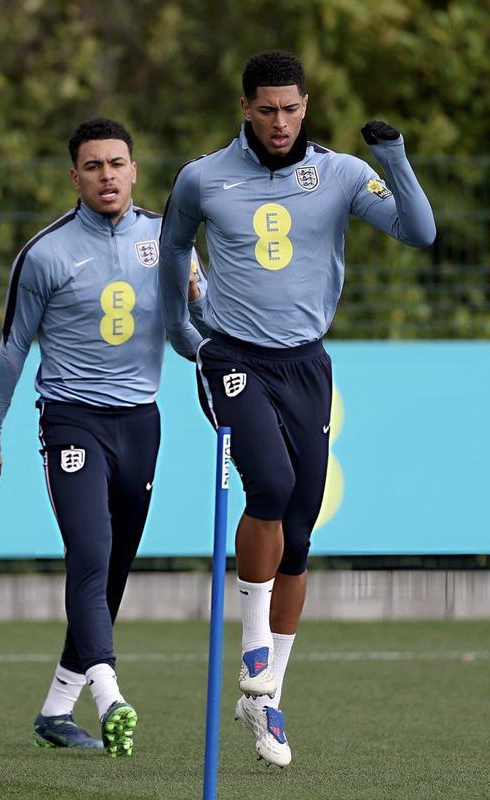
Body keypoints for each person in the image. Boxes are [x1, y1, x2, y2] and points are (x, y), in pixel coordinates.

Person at [159, 50, 436, 767]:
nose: (279, 122)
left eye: (290, 109)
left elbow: (420, 232)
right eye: (266, 110)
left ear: (305, 106)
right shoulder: (203, 177)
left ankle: (267, 698)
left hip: (306, 363)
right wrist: (182, 333)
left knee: (301, 531)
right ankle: (252, 646)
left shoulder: (341, 173)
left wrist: (394, 158)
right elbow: (173, 248)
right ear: (245, 108)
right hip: (232, 356)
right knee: (272, 486)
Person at [0, 118, 205, 756]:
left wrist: (196, 300)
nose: (107, 176)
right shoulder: (45, 253)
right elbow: (13, 350)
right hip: (72, 419)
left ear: (134, 170)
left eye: (117, 163)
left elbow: (189, 337)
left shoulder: (168, 237)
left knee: (113, 569)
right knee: (90, 553)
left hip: (141, 423)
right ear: (75, 177)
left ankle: (55, 712)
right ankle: (110, 697)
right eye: (93, 166)